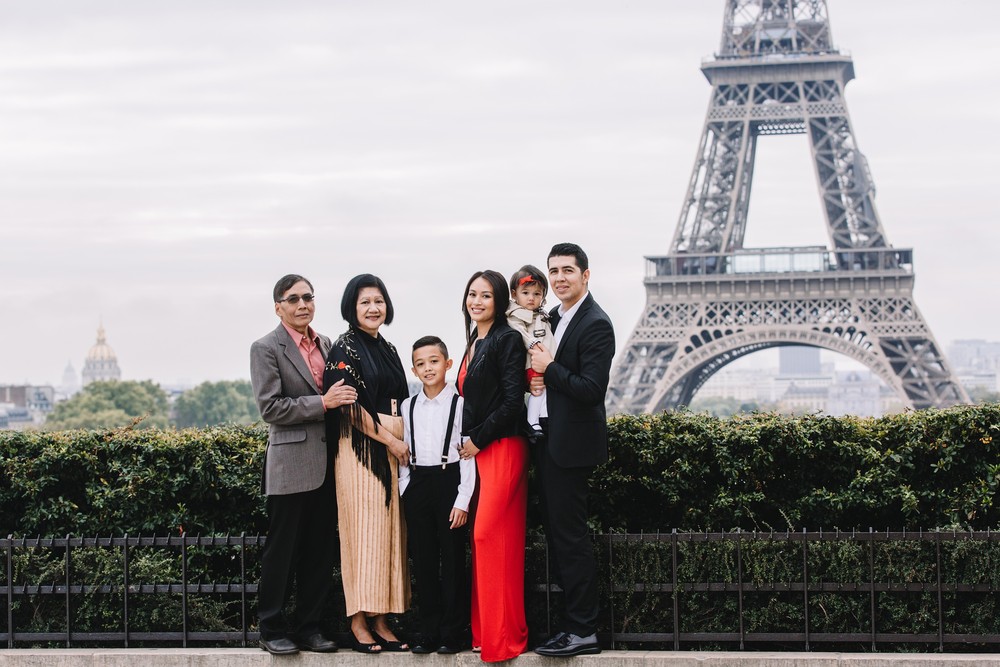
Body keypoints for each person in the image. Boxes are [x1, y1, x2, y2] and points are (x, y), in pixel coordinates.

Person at [250, 274, 357, 655]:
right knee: (283, 551)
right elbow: (271, 408)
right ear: (278, 306)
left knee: (319, 551)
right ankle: (271, 627)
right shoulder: (265, 348)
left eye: (308, 297)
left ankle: (310, 627)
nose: (302, 305)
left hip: (330, 463)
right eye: (293, 299)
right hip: (291, 464)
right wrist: (323, 403)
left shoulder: (327, 343)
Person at [528, 243, 615, 658]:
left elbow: (591, 389)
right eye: (554, 271)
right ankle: (572, 624)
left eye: (568, 270)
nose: (560, 277)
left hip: (570, 448)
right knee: (560, 538)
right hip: (548, 440)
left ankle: (583, 628)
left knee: (571, 538)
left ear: (586, 274)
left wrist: (550, 370)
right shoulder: (554, 319)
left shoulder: (595, 323)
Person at [323, 274, 412, 654]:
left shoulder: (388, 347)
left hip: (393, 448)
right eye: (365, 303)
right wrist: (390, 439)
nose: (374, 308)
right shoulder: (345, 347)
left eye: (378, 301)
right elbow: (348, 406)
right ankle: (358, 619)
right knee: (364, 535)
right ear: (351, 308)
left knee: (391, 535)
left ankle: (382, 618)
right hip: (362, 449)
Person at [456, 269, 529, 663]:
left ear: (500, 301)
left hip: (501, 446)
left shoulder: (507, 339)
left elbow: (512, 402)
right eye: (472, 294)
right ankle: (490, 632)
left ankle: (505, 638)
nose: (477, 301)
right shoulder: (474, 340)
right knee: (486, 541)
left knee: (489, 537)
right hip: (481, 449)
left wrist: (476, 439)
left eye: (485, 295)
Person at [398, 335, 475, 655]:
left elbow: (468, 453)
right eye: (420, 364)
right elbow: (404, 450)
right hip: (418, 483)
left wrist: (462, 499)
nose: (427, 368)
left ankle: (452, 632)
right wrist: (405, 486)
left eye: (433, 361)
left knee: (453, 559)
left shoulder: (460, 404)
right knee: (425, 561)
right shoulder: (408, 405)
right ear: (414, 371)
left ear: (448, 364)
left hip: (450, 480)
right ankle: (429, 630)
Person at [505, 265, 554, 441]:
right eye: (526, 293)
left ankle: (536, 420)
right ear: (514, 294)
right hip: (534, 361)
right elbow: (519, 332)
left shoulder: (541, 314)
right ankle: (532, 421)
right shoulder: (516, 315)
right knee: (539, 390)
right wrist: (532, 343)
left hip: (545, 360)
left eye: (537, 294)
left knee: (543, 390)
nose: (531, 298)